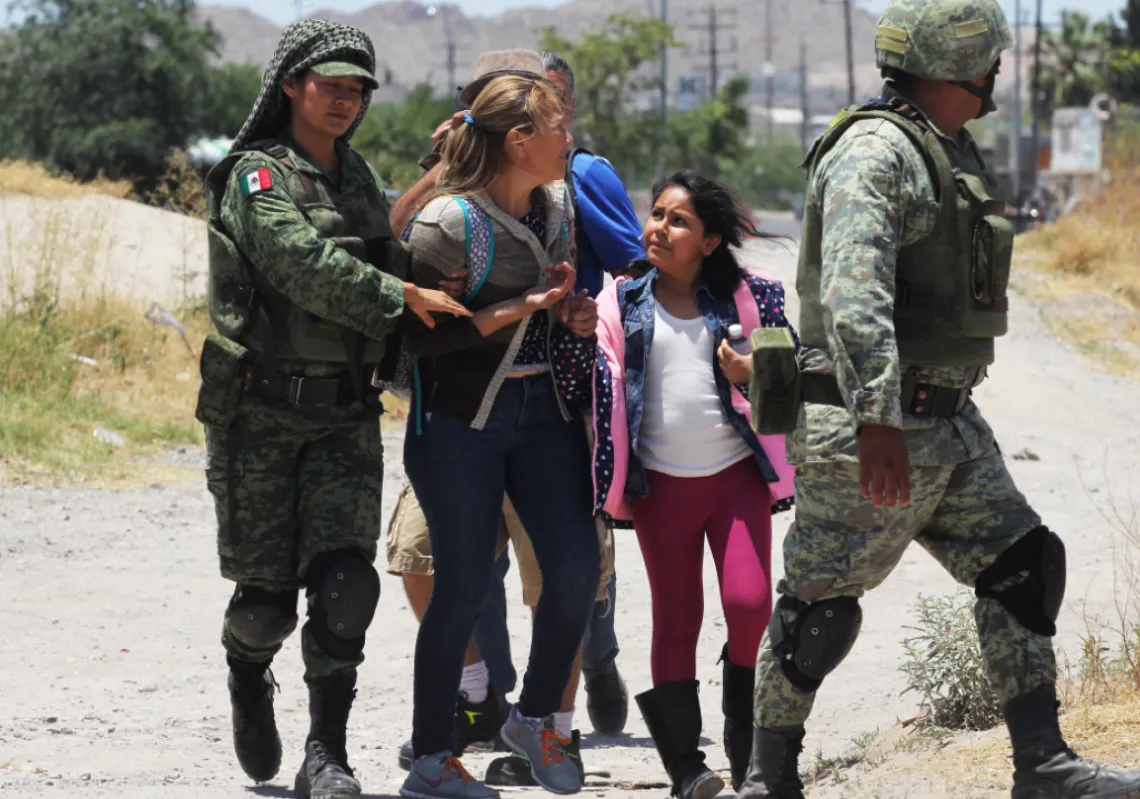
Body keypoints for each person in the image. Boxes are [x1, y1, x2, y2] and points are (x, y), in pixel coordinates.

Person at [737, 1, 1140, 797]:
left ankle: (1044, 764)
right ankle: (768, 777)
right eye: (989, 60)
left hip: (947, 423)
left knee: (1023, 563)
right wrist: (878, 416)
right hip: (869, 423)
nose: (994, 74)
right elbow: (855, 298)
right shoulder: (876, 152)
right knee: (820, 609)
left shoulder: (944, 149)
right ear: (966, 66)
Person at [197, 19, 469, 799]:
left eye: (358, 89)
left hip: (345, 414)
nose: (345, 100)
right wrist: (400, 295)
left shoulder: (357, 177)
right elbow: (301, 263)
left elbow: (387, 238)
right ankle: (248, 672)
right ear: (290, 85)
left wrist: (432, 267)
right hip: (260, 418)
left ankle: (327, 753)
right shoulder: (256, 178)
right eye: (331, 85)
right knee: (264, 608)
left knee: (349, 585)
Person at [383, 51, 619, 779]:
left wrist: (570, 314)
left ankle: (530, 719)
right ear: (518, 142)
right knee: (458, 587)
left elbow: (553, 311)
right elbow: (421, 340)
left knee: (578, 568)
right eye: (556, 125)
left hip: (541, 409)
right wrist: (523, 307)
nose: (568, 138)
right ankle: (431, 760)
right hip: (458, 422)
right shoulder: (448, 223)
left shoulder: (556, 205)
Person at [589, 171, 796, 799]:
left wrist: (752, 369)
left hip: (736, 478)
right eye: (656, 214)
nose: (659, 227)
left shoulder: (751, 297)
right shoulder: (620, 301)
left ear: (709, 241)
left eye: (678, 220)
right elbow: (597, 384)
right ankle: (685, 768)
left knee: (751, 603)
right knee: (677, 617)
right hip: (662, 490)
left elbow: (789, 377)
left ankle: (744, 744)